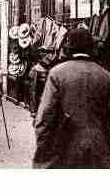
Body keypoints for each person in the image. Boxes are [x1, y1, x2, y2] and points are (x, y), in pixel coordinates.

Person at [33, 29, 110, 168]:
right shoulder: (105, 76)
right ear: (92, 48)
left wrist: (43, 148)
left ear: (69, 48)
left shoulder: (57, 73)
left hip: (64, 149)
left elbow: (44, 118)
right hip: (100, 151)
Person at [29, 46, 55, 122]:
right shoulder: (36, 69)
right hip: (40, 103)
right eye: (49, 53)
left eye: (52, 53)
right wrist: (33, 110)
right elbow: (33, 90)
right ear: (44, 55)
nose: (52, 56)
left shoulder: (52, 68)